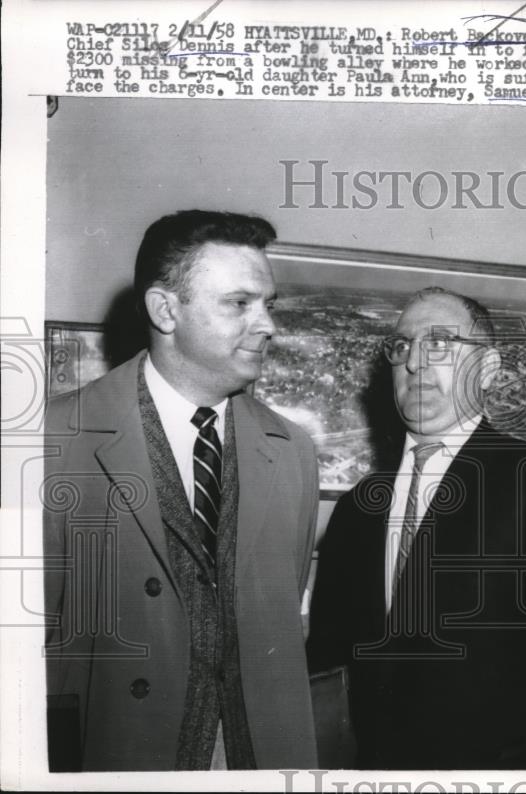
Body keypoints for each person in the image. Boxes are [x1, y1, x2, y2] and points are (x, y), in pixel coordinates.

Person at [43, 210, 319, 771]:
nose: (267, 324)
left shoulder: (291, 449)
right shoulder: (54, 439)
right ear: (165, 310)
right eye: (240, 303)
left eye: (269, 304)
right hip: (115, 758)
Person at [307, 287, 526, 770]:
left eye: (441, 344)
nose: (415, 363)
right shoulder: (356, 510)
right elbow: (327, 666)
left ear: (489, 369)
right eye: (403, 346)